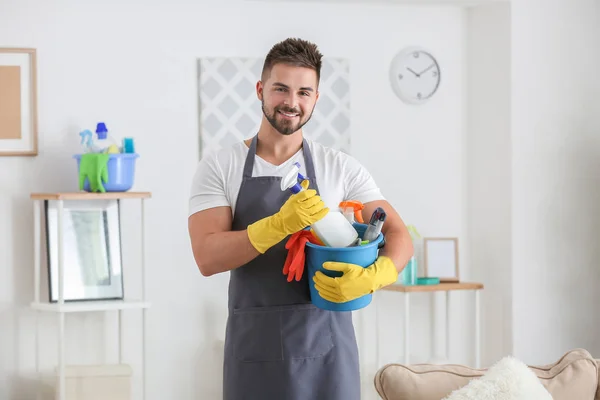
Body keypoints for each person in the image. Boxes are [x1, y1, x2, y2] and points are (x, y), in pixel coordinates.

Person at [188, 37, 414, 400]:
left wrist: (376, 276)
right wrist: (277, 224)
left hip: (327, 352)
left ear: (316, 98)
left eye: (304, 92)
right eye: (281, 89)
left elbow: (398, 234)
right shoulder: (220, 166)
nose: (292, 102)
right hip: (253, 352)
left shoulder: (339, 167)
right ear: (261, 90)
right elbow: (207, 256)